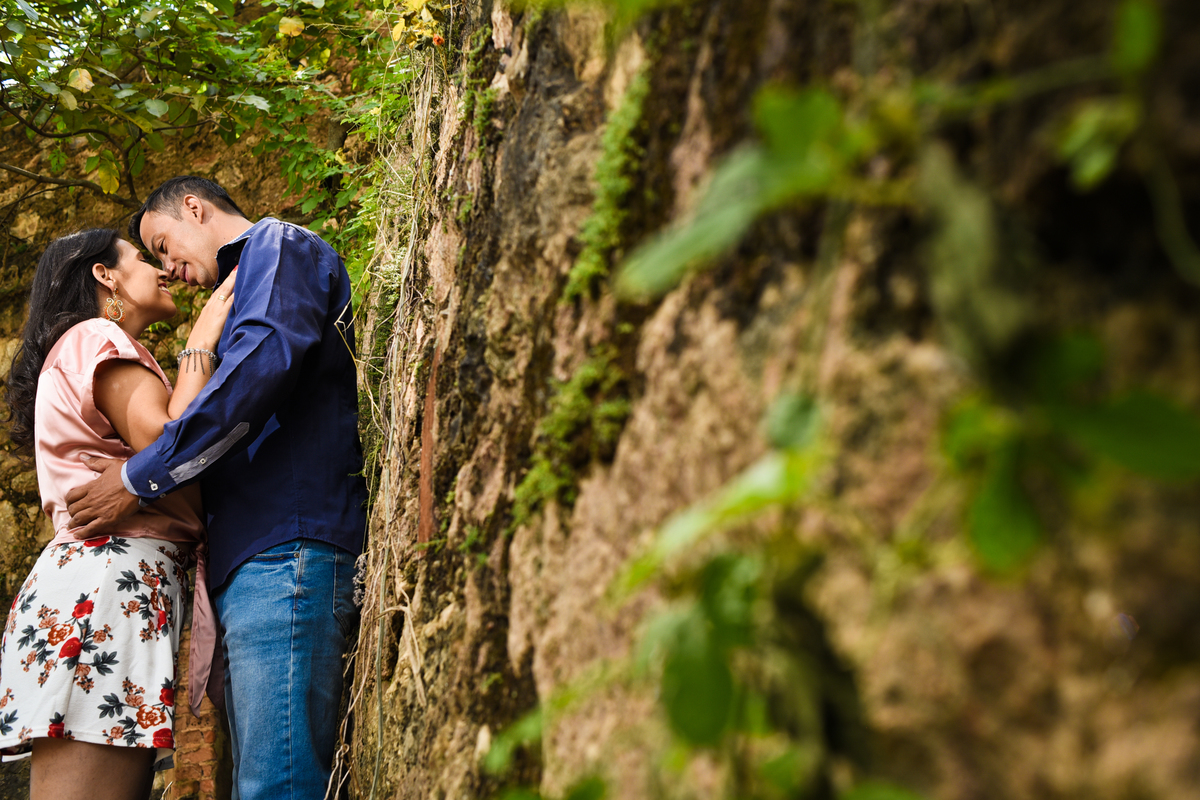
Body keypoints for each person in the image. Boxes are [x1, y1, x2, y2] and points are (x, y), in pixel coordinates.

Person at [64, 176, 368, 800]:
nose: (168, 269)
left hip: (289, 545)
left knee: (274, 785)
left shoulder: (277, 247)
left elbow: (260, 372)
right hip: (256, 560)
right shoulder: (239, 288)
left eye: (162, 243)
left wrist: (136, 478)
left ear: (195, 209)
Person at [0, 228, 237, 800]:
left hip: (117, 586)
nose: (161, 268)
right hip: (106, 586)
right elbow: (165, 440)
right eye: (141, 256)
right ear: (105, 275)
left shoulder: (99, 346)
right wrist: (203, 337)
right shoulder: (94, 337)